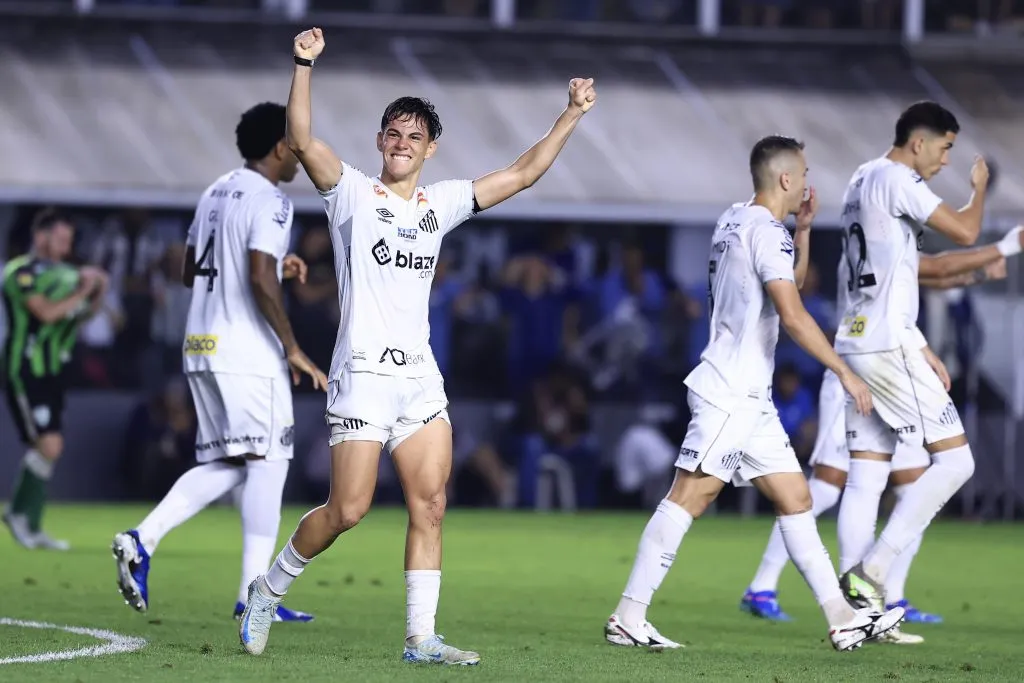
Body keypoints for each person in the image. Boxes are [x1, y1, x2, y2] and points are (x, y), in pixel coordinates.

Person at [237, 27, 596, 664]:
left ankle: (420, 639)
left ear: (430, 149)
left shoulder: (441, 203)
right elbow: (300, 139)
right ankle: (268, 588)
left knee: (430, 504)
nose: (402, 144)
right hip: (363, 373)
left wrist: (570, 112)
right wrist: (302, 64)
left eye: (414, 137)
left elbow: (524, 172)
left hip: (420, 377)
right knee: (348, 509)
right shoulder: (349, 191)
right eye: (393, 135)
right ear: (380, 142)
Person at [604, 136, 905, 652]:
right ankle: (629, 614)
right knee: (689, 496)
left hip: (749, 396)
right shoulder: (766, 232)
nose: (808, 182)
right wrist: (845, 371)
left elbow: (786, 285)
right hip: (732, 390)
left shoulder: (734, 219)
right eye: (805, 173)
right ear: (786, 179)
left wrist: (804, 231)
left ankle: (840, 616)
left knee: (796, 498)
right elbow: (792, 313)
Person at [111, 102, 327, 623]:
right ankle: (255, 596)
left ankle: (144, 540)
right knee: (269, 461)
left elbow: (188, 269)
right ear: (280, 147)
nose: (300, 149)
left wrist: (274, 264)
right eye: (295, 140)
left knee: (233, 463)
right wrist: (292, 346)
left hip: (201, 345)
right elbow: (257, 277)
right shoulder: (272, 200)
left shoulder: (215, 190)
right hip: (246, 351)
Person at [741, 243, 1017, 634]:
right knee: (828, 485)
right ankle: (765, 586)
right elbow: (934, 269)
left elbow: (925, 276)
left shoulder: (875, 241)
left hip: (885, 370)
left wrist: (977, 276)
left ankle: (887, 598)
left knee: (910, 486)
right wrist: (1000, 250)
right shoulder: (884, 231)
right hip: (860, 370)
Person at [830, 102, 1013, 616]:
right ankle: (874, 572)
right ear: (920, 142)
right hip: (886, 343)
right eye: (946, 147)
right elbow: (964, 232)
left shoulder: (861, 179)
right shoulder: (897, 178)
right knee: (956, 460)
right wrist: (979, 190)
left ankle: (855, 613)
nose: (947, 160)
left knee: (867, 474)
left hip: (859, 335)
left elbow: (912, 270)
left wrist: (921, 343)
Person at [3, 209, 109, 550]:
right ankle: (21, 517)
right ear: (41, 236)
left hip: (52, 371)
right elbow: (45, 312)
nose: (66, 245)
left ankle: (28, 522)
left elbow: (81, 316)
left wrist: (98, 291)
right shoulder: (20, 272)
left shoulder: (67, 274)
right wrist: (83, 288)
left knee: (50, 447)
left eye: (69, 240)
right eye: (61, 238)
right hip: (24, 369)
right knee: (49, 445)